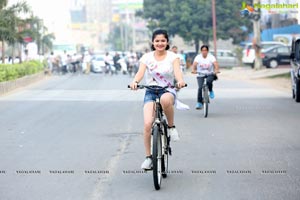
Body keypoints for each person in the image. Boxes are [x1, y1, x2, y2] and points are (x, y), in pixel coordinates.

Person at [129, 29, 186, 170]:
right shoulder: (146, 57)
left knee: (165, 101)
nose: (160, 43)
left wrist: (180, 81)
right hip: (150, 91)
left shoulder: (173, 57)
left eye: (163, 40)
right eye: (157, 41)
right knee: (148, 123)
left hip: (167, 89)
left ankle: (171, 127)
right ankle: (149, 158)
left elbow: (178, 73)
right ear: (153, 42)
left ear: (167, 42)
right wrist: (135, 81)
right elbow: (140, 72)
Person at [191, 45, 220, 109]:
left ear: (207, 51)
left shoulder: (211, 57)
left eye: (205, 50)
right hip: (200, 74)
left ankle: (210, 90)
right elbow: (194, 64)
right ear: (201, 51)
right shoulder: (198, 57)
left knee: (209, 81)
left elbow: (215, 64)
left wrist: (216, 70)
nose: (204, 52)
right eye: (203, 50)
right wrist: (193, 70)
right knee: (200, 87)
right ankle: (199, 102)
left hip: (210, 73)